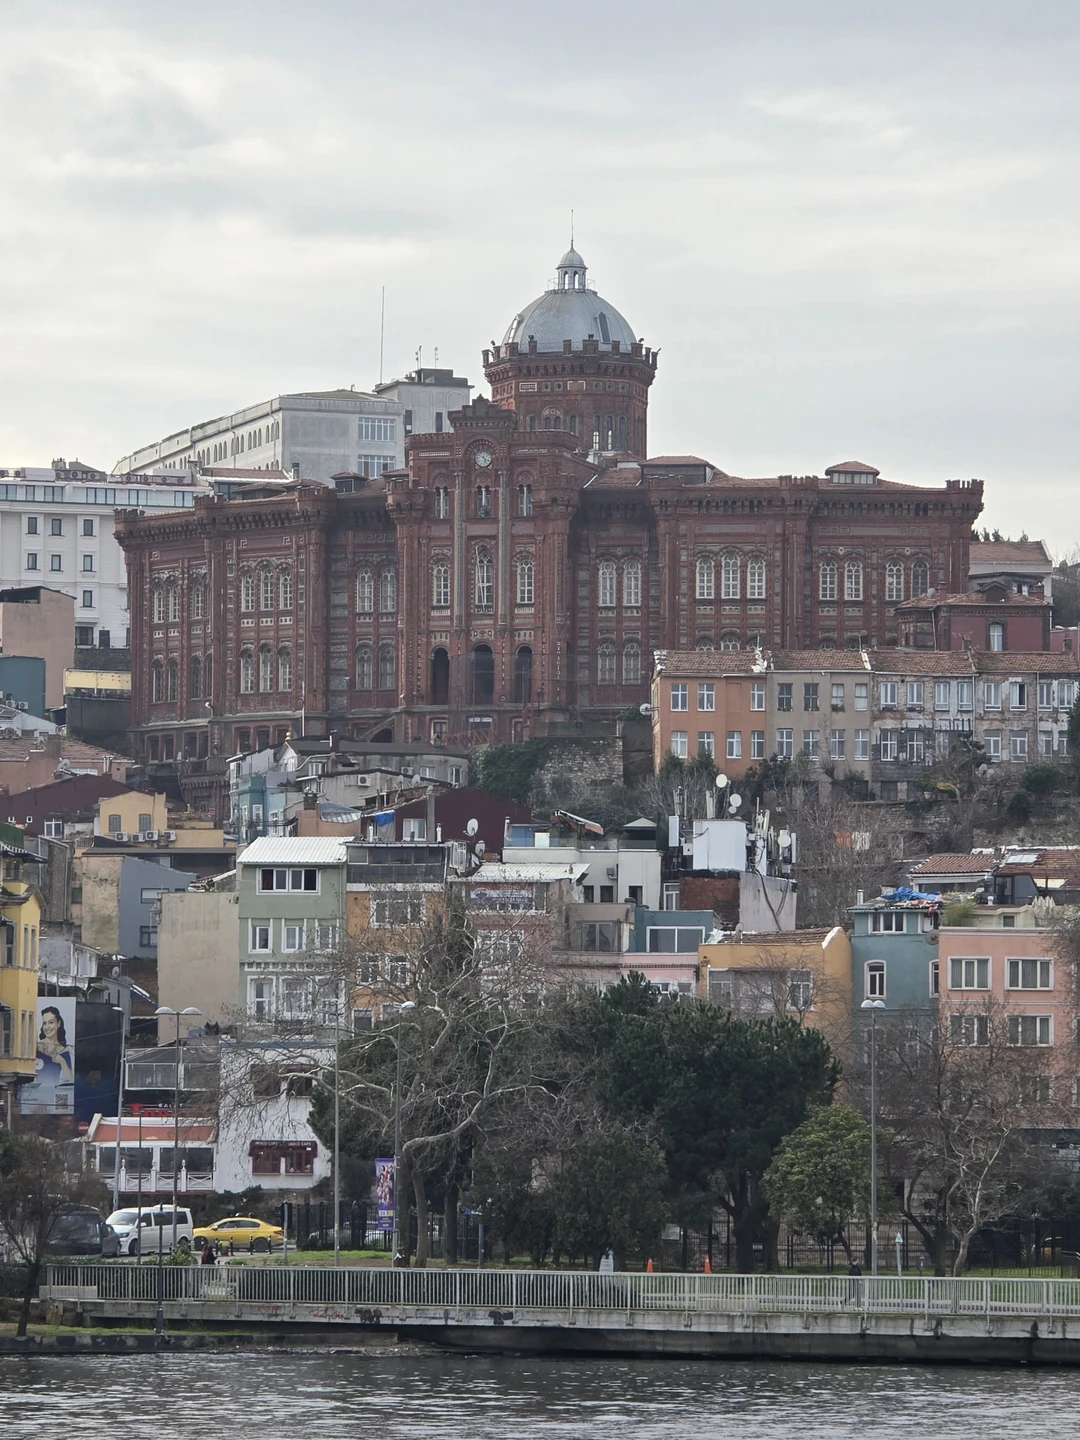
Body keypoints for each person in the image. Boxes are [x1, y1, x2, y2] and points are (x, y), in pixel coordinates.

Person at [36, 1006, 74, 1085]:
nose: (47, 1027)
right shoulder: (36, 1048)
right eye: (44, 1023)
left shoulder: (64, 1051)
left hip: (53, 1093)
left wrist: (63, 1062)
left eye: (51, 1022)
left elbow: (71, 1079)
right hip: (33, 1093)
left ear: (58, 1023)